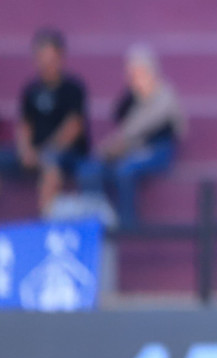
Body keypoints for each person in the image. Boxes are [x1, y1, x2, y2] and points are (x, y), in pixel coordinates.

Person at [76, 45, 186, 228]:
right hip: (131, 149)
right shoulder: (131, 98)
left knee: (125, 170)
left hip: (157, 150)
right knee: (90, 169)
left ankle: (126, 224)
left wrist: (115, 146)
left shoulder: (165, 94)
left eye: (138, 73)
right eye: (131, 73)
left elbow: (140, 128)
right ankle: (94, 219)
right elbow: (119, 120)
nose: (133, 78)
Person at [0, 29, 89, 216]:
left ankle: (45, 227)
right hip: (35, 153)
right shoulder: (32, 90)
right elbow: (25, 125)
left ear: (61, 57)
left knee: (50, 167)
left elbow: (73, 128)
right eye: (41, 57)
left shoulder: (73, 89)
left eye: (50, 58)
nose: (46, 64)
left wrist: (43, 152)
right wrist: (25, 151)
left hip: (66, 154)